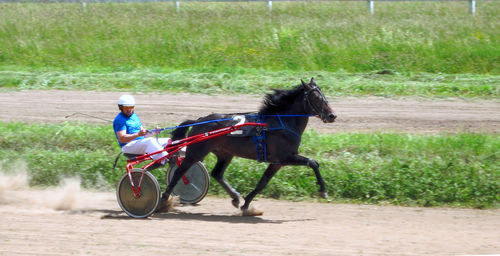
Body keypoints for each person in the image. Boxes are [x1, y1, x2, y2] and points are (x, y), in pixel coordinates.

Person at [113, 95, 171, 164]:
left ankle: (177, 157)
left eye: (131, 107)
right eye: (126, 107)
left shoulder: (134, 116)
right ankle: (165, 159)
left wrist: (154, 132)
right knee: (150, 141)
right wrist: (138, 134)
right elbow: (122, 139)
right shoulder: (119, 120)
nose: (129, 110)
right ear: (121, 107)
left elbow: (143, 134)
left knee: (168, 140)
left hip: (140, 142)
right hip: (128, 147)